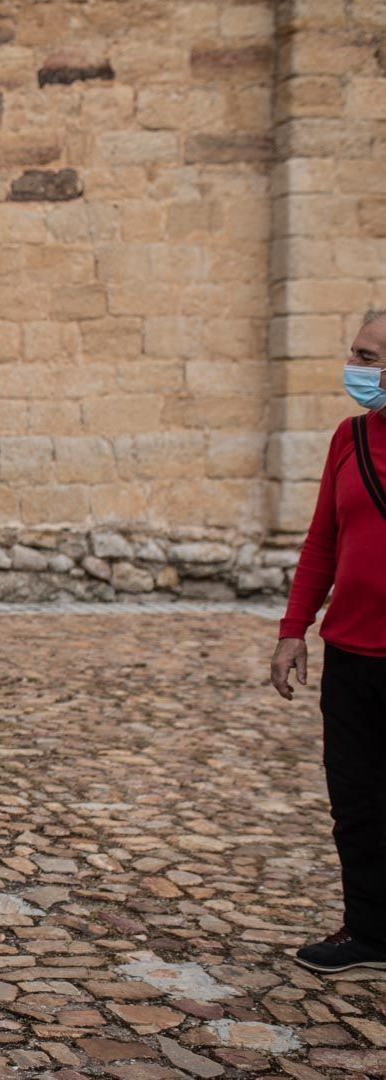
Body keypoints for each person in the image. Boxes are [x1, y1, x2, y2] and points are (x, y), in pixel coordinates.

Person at [270, 309, 386, 974]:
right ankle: (370, 931)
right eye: (355, 354)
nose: (355, 369)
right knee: (356, 802)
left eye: (368, 357)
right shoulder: (349, 438)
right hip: (350, 655)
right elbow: (323, 542)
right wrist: (294, 631)